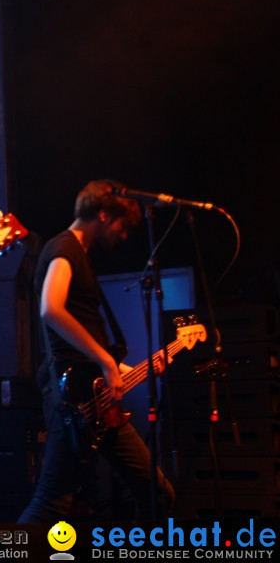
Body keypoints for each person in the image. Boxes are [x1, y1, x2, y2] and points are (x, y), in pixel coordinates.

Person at [18, 179, 174, 523]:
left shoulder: (77, 255)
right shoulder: (63, 249)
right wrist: (106, 360)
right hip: (72, 398)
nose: (124, 235)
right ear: (103, 214)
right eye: (123, 225)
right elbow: (50, 308)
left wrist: (128, 368)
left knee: (157, 494)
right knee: (50, 505)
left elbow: (85, 338)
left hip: (94, 397)